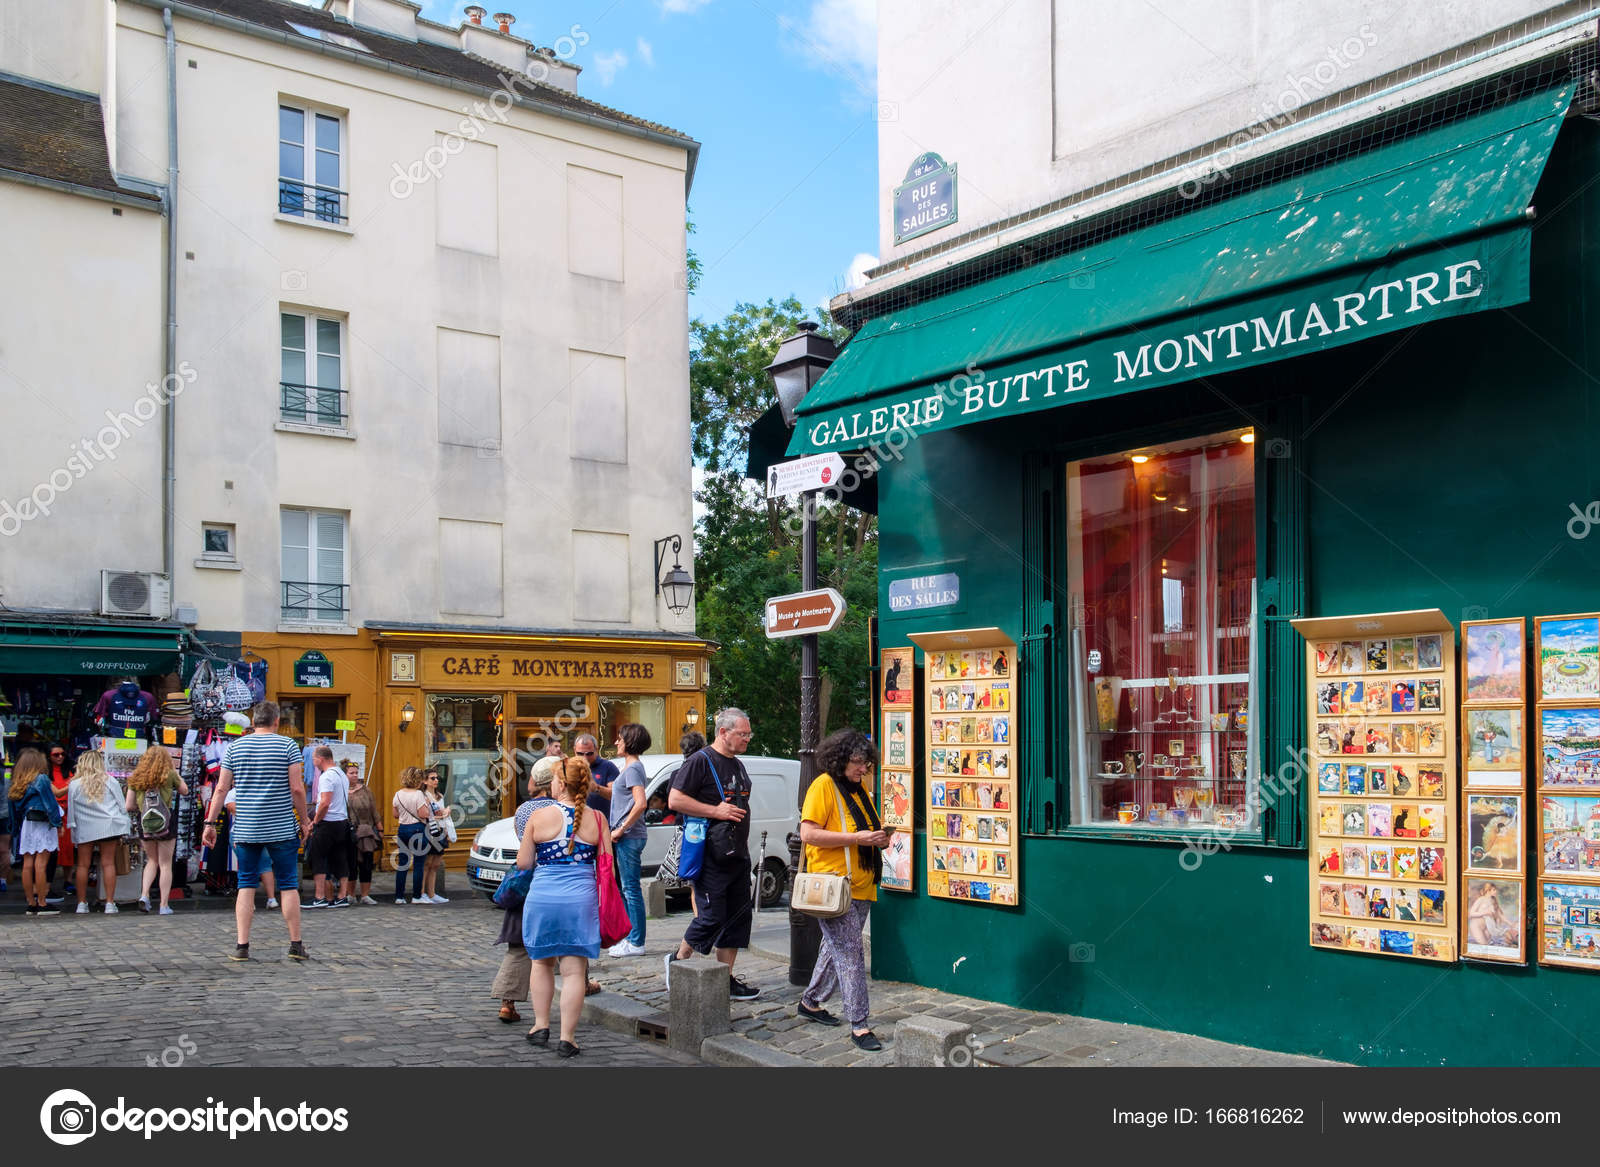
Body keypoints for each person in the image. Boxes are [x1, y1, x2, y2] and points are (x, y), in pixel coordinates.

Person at [797, 728, 892, 1050]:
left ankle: (810, 1001)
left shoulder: (859, 789)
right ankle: (860, 1024)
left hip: (862, 884)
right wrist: (858, 839)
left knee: (836, 946)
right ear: (840, 759)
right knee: (850, 952)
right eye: (858, 762)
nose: (864, 768)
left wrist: (879, 838)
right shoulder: (823, 786)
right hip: (834, 886)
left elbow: (867, 829)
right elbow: (808, 834)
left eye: (866, 763)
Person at [201, 702, 311, 962]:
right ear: (276, 721)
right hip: (282, 826)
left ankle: (242, 945)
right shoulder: (287, 746)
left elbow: (221, 789)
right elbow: (297, 788)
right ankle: (295, 944)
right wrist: (305, 820)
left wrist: (210, 823)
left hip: (247, 827)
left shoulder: (235, 748)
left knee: (246, 883)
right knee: (288, 885)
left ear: (254, 720)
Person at [665, 707, 760, 1000]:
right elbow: (675, 799)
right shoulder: (700, 761)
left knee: (737, 920)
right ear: (723, 732)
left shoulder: (739, 765)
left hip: (737, 854)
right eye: (742, 734)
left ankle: (725, 979)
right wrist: (714, 810)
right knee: (711, 917)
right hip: (711, 856)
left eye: (748, 734)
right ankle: (678, 962)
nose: (747, 739)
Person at [517, 756, 609, 1057]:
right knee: (573, 971)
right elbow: (608, 866)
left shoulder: (538, 817)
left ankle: (540, 1025)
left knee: (541, 962)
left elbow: (524, 862)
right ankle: (567, 1037)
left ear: (558, 784)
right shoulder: (597, 819)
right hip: (580, 899)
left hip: (543, 897)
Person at [493, 755, 558, 1023]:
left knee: (518, 945)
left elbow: (524, 846)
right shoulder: (562, 808)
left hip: (527, 880)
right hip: (554, 879)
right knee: (568, 943)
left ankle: (507, 1002)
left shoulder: (522, 811)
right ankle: (582, 984)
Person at [124, 745, 188, 915]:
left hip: (145, 823)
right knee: (165, 864)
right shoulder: (169, 775)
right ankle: (164, 905)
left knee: (151, 861)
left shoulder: (136, 777)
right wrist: (175, 772)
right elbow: (185, 790)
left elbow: (129, 806)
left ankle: (144, 896)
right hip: (166, 822)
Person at [606, 722, 652, 957]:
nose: (616, 742)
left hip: (629, 836)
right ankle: (630, 938)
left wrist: (621, 829)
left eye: (620, 739)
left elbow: (641, 803)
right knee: (627, 889)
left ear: (629, 742)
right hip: (628, 836)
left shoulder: (633, 768)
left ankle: (636, 942)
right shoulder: (630, 768)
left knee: (631, 889)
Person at [65, 750, 129, 913]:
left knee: (83, 865)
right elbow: (122, 805)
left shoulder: (74, 784)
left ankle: (81, 903)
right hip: (109, 825)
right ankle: (109, 903)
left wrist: (72, 828)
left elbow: (71, 811)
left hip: (85, 826)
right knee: (108, 863)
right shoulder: (110, 781)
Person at [8, 748, 61, 915]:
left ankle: (31, 903)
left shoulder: (17, 782)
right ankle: (42, 903)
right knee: (41, 864)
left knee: (27, 864)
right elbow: (50, 804)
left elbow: (13, 810)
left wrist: (15, 829)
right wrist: (57, 824)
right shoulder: (42, 779)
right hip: (43, 823)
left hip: (26, 824)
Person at [305, 746, 352, 908]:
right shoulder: (342, 775)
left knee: (317, 858)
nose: (313, 762)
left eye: (313, 759)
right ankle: (342, 896)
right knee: (340, 859)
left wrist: (315, 821)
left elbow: (325, 803)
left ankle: (320, 897)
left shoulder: (326, 777)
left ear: (321, 759)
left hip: (328, 822)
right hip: (342, 821)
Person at [391, 767, 438, 904]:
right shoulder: (418, 794)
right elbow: (423, 814)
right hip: (417, 829)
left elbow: (395, 814)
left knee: (403, 864)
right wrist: (428, 806)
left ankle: (399, 897)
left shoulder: (398, 793)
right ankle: (417, 896)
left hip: (403, 829)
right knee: (418, 864)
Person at [345, 762, 381, 905]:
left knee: (366, 863)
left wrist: (380, 829)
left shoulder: (366, 790)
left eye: (356, 772)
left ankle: (365, 895)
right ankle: (350, 894)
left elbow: (374, 811)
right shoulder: (340, 790)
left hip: (366, 831)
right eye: (351, 773)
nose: (355, 775)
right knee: (350, 864)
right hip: (348, 832)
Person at [46, 745, 73, 898]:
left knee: (67, 849)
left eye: (62, 754)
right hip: (53, 815)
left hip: (68, 813)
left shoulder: (69, 770)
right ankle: (47, 884)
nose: (60, 757)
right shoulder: (45, 774)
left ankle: (68, 881)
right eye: (56, 755)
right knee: (51, 851)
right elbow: (55, 793)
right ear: (49, 756)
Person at [421, 769, 450, 904]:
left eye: (437, 778)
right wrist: (444, 813)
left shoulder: (439, 796)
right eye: (432, 778)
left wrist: (446, 831)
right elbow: (427, 815)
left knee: (436, 864)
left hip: (440, 831)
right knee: (427, 863)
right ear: (425, 781)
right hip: (429, 831)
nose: (436, 780)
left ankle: (432, 893)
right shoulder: (423, 796)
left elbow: (441, 815)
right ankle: (422, 893)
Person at [574, 733, 616, 816]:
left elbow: (615, 795)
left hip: (600, 822)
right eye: (580, 754)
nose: (584, 757)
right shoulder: (570, 766)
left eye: (589, 754)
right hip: (575, 822)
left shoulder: (608, 766)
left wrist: (596, 788)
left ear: (596, 750)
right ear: (574, 750)